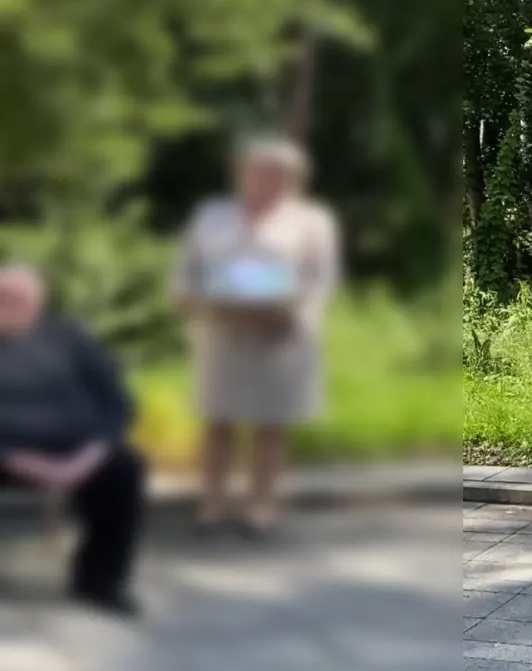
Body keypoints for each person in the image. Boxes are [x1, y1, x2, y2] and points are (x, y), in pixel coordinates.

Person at [172, 134, 341, 537]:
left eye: (279, 174)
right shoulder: (211, 215)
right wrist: (200, 303)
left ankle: (261, 505)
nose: (267, 180)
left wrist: (293, 316)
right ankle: (211, 503)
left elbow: (321, 282)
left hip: (279, 338)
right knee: (217, 422)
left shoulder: (311, 221)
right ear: (241, 172)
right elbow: (185, 276)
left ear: (295, 180)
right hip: (220, 333)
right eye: (259, 171)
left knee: (270, 425)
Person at [0, 266, 146, 616]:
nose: (9, 304)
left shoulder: (71, 336)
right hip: (7, 452)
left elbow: (117, 401)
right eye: (2, 297)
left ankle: (100, 582)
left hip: (75, 451)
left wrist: (91, 454)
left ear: (40, 302)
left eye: (19, 298)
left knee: (124, 469)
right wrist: (13, 457)